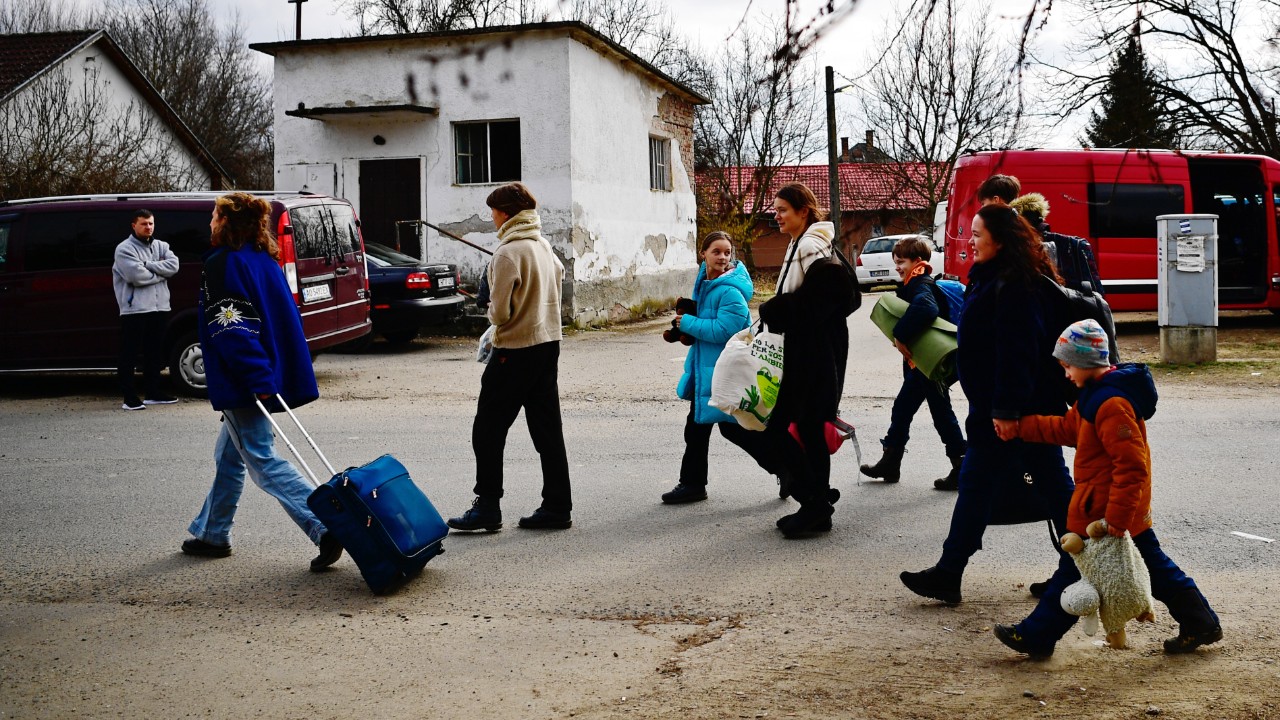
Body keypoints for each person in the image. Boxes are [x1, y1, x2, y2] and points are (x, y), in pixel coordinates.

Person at [993, 319, 1222, 657]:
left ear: (1086, 362)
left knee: (1079, 570)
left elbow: (1131, 466)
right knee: (1146, 570)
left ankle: (1037, 635)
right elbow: (1068, 430)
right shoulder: (1092, 397)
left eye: (1068, 365)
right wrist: (1021, 427)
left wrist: (1116, 518)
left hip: (1106, 514)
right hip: (1103, 509)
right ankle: (1200, 621)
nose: (1065, 373)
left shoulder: (1111, 404)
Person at [899, 203, 1075, 604]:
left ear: (1000, 239)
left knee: (1049, 485)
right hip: (999, 408)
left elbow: (1019, 353)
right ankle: (950, 572)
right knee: (982, 483)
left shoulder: (1016, 285)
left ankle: (1080, 568)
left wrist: (1007, 411)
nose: (970, 241)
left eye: (977, 234)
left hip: (1016, 409)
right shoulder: (995, 277)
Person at [182, 192, 342, 571]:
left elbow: (233, 326)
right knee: (229, 457)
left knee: (261, 458)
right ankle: (212, 532)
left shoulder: (223, 263)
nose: (209, 222)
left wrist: (255, 376)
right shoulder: (262, 259)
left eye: (213, 216)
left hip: (248, 377)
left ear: (226, 222)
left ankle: (326, 524)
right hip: (265, 370)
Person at [447, 182, 573, 532]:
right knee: (547, 429)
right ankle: (558, 505)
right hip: (548, 344)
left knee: (487, 430)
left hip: (514, 350)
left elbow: (500, 314)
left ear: (505, 213)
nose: (491, 217)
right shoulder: (543, 246)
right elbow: (558, 282)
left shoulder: (507, 253)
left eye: (493, 211)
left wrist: (488, 305)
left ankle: (487, 506)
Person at [758, 182, 858, 538]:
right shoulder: (803, 243)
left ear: (804, 211)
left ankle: (815, 502)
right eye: (776, 208)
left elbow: (828, 301)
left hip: (813, 356)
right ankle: (816, 505)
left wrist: (773, 308)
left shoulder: (813, 246)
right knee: (810, 431)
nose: (777, 215)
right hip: (808, 352)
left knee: (781, 430)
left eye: (783, 209)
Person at [661, 231, 787, 504]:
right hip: (707, 369)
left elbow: (725, 330)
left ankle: (786, 469)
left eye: (727, 252)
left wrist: (687, 324)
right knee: (696, 427)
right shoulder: (706, 284)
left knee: (737, 429)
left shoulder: (729, 290)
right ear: (702, 254)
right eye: (716, 251)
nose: (722, 257)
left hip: (724, 373)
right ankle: (693, 483)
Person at [860, 236, 966, 489]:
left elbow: (925, 309)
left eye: (901, 262)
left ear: (917, 261)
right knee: (905, 409)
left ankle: (961, 465)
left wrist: (900, 335)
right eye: (895, 261)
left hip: (926, 362)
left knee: (939, 413)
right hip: (922, 362)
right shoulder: (919, 280)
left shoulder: (920, 282)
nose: (897, 266)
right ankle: (891, 461)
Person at [112, 209, 179, 410]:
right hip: (135, 310)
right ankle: (129, 397)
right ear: (134, 225)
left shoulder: (161, 246)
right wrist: (161, 272)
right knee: (129, 354)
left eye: (150, 223)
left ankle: (153, 393)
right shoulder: (124, 249)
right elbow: (136, 277)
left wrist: (148, 265)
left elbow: (174, 265)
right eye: (143, 223)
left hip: (159, 308)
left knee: (154, 353)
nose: (148, 227)